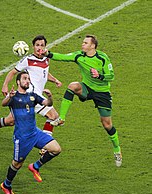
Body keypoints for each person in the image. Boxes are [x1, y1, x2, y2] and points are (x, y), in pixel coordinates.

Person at [0, 35, 62, 150]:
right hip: (28, 96)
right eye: (37, 45)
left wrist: (55, 80)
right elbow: (13, 72)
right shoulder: (28, 60)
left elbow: (44, 73)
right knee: (53, 116)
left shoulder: (46, 59)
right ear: (33, 47)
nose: (39, 48)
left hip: (32, 96)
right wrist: (5, 85)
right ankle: (45, 147)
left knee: (10, 121)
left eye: (42, 45)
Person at [44, 34, 122, 167]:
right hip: (87, 88)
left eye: (85, 43)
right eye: (83, 42)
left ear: (93, 45)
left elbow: (111, 76)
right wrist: (48, 53)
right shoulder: (79, 56)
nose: (82, 44)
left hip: (102, 93)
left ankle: (117, 150)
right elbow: (63, 57)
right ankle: (61, 118)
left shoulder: (102, 58)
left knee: (107, 124)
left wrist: (100, 75)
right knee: (73, 86)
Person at [0, 71, 61, 194]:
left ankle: (35, 166)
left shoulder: (32, 96)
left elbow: (48, 104)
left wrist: (50, 96)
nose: (27, 81)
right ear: (18, 82)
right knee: (17, 164)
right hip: (22, 138)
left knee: (56, 149)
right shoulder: (14, 97)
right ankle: (6, 185)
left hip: (35, 133)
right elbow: (3, 103)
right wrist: (9, 96)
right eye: (24, 78)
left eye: (28, 79)